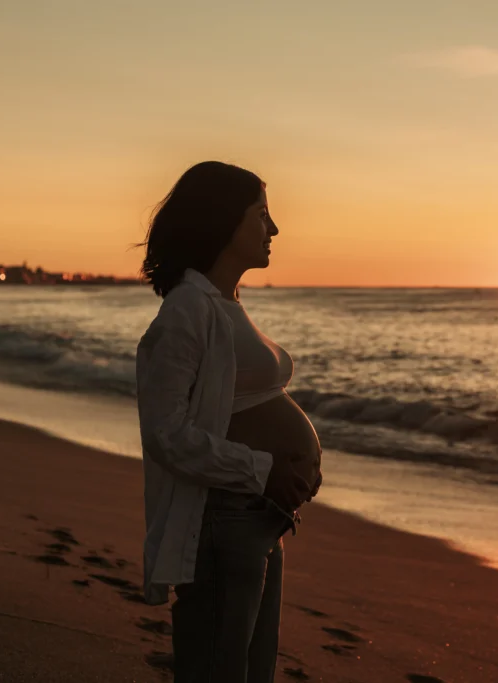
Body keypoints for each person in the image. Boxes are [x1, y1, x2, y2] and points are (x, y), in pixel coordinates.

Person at [135, 161, 323, 682]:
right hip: (225, 520)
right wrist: (263, 469)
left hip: (257, 517)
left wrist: (294, 469)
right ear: (222, 221)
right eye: (262, 215)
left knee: (250, 670)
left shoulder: (223, 305)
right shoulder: (186, 311)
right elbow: (165, 434)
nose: (275, 229)